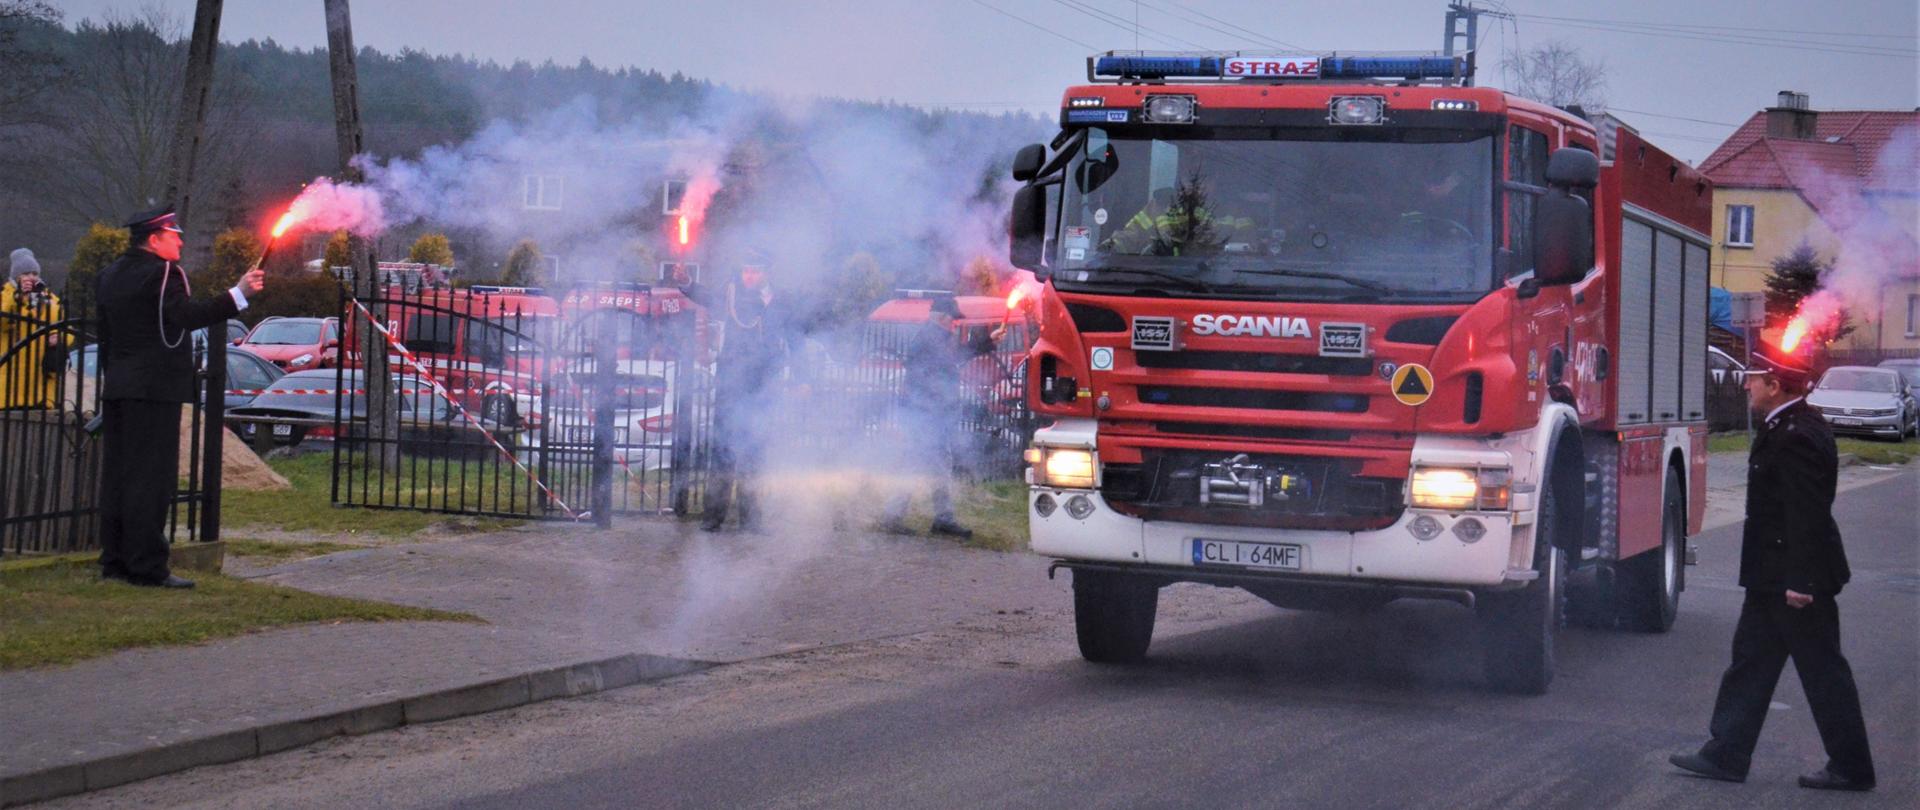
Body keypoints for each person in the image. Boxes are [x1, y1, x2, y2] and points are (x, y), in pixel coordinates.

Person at [1669, 343, 1875, 791]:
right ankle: (1726, 753)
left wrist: (1801, 580)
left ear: (1775, 386)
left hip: (1794, 579)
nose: (1746, 386)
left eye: (1754, 380)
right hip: (1773, 577)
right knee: (1751, 664)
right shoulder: (1790, 423)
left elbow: (1806, 512)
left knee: (1823, 672)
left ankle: (1852, 766)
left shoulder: (1796, 434)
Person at [95, 207, 264, 588]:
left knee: (118, 478)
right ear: (153, 240)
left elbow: (105, 335)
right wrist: (239, 294)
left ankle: (114, 561)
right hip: (155, 389)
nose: (180, 241)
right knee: (151, 480)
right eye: (174, 234)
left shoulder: (107, 276)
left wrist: (114, 379)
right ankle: (148, 567)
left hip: (119, 387)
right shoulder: (163, 272)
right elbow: (187, 316)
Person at [879, 295, 1002, 539]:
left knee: (929, 465)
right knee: (927, 465)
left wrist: (988, 342)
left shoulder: (932, 338)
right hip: (928, 416)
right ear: (944, 318)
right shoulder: (930, 339)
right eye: (953, 321)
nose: (954, 324)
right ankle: (928, 518)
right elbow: (945, 365)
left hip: (931, 415)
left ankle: (923, 517)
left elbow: (954, 358)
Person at [701, 253, 790, 532]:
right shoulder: (730, 295)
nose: (748, 277)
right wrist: (685, 282)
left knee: (754, 458)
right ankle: (713, 517)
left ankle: (751, 519)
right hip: (730, 387)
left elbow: (786, 330)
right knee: (722, 456)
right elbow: (706, 298)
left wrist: (769, 305)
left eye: (754, 272)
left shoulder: (773, 300)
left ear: (764, 274)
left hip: (760, 389)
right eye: (745, 272)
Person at [2, 248, 65, 409]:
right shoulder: (5, 296)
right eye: (26, 273)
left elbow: (68, 327)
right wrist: (19, 298)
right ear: (16, 276)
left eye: (35, 273)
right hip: (11, 381)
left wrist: (59, 336)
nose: (31, 277)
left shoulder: (51, 299)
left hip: (40, 382)